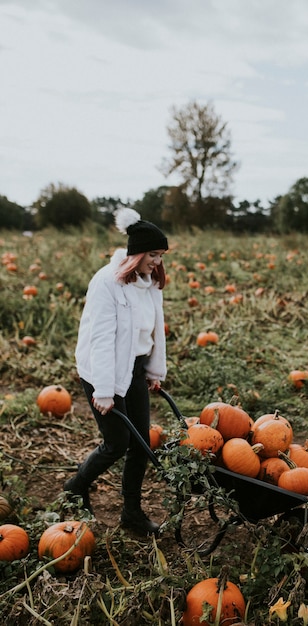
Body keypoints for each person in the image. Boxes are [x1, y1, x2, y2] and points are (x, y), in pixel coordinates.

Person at [64, 208, 169, 537]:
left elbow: (154, 333)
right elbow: (101, 340)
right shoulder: (106, 283)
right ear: (137, 253)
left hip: (134, 368)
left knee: (141, 444)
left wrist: (154, 370)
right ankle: (75, 487)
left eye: (161, 256)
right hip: (102, 371)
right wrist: (105, 391)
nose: (157, 262)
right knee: (116, 442)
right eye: (153, 255)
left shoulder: (149, 283)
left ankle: (132, 513)